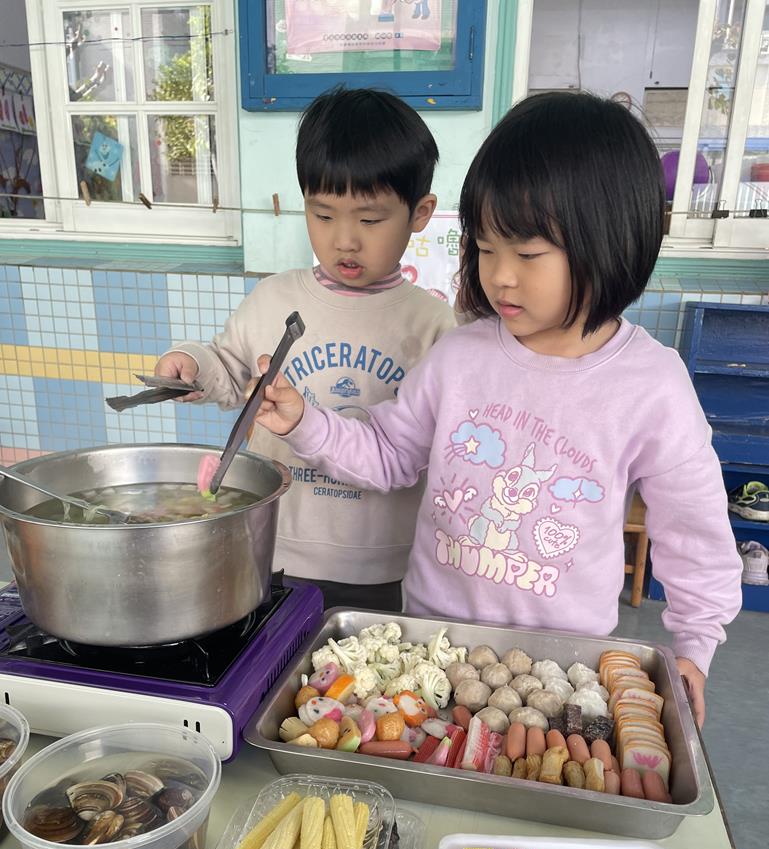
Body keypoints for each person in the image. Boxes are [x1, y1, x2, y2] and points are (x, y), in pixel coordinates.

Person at [248, 91, 742, 725]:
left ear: (611, 242)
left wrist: (695, 645)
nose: (500, 275)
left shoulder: (652, 384)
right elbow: (389, 453)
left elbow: (695, 535)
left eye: (528, 254)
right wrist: (305, 423)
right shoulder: (460, 357)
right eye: (485, 248)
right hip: (432, 652)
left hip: (561, 669)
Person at [154, 86, 455, 611]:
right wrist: (193, 365)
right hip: (275, 548)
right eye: (323, 215)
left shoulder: (432, 325)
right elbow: (230, 370)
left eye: (370, 219)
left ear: (420, 213)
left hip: (383, 564)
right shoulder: (274, 299)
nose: (345, 240)